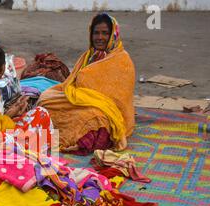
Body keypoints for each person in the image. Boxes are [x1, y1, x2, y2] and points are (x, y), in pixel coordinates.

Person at [38, 13, 136, 155]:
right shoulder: (88, 56)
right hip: (80, 101)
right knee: (45, 99)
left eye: (105, 33)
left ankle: (80, 139)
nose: (100, 37)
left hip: (107, 111)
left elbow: (118, 99)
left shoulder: (123, 60)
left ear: (113, 35)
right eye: (96, 33)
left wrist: (84, 94)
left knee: (94, 118)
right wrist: (78, 94)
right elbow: (71, 83)